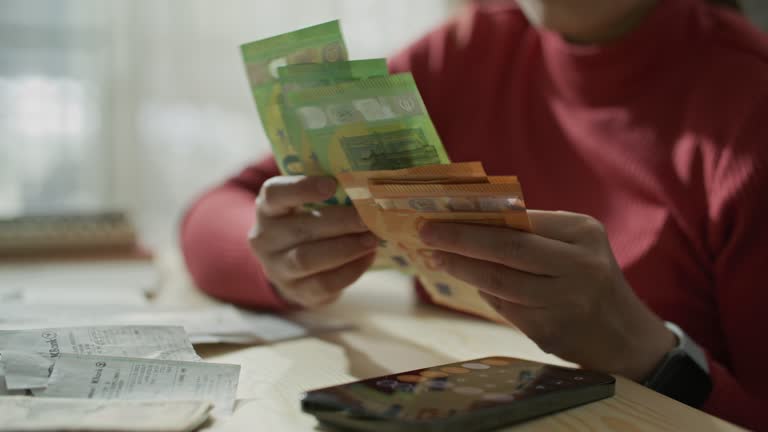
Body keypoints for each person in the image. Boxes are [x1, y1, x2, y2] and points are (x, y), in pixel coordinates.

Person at [181, 0, 768, 428]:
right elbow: (209, 216)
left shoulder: (747, 103)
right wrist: (282, 262)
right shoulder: (468, 51)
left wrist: (651, 355)